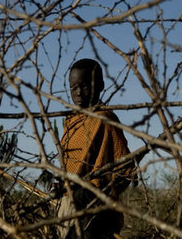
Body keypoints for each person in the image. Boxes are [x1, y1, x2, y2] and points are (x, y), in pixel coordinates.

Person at [57, 58, 134, 239]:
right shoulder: (71, 121)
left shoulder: (105, 120)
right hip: (67, 204)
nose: (78, 93)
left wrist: (97, 197)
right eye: (73, 87)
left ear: (99, 86)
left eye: (84, 86)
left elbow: (126, 169)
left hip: (94, 210)